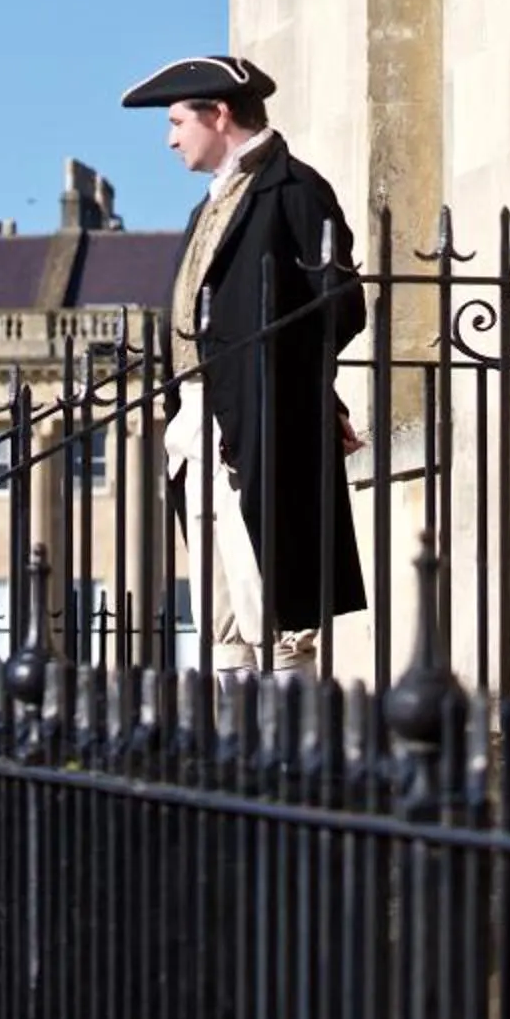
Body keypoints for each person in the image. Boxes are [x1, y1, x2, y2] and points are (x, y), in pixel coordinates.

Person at [120, 53, 366, 680]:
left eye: (178, 122)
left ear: (220, 114)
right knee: (220, 612)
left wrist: (288, 387)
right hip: (196, 420)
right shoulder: (208, 207)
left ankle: (296, 760)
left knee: (275, 612)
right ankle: (234, 760)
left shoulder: (293, 190)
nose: (171, 138)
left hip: (255, 416)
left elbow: (341, 305)